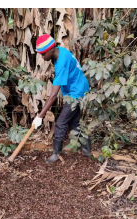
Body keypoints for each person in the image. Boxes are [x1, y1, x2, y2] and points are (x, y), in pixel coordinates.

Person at [32, 34, 91, 163]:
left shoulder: (62, 61)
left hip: (77, 92)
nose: (42, 57)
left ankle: (56, 154)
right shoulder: (58, 53)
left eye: (43, 54)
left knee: (61, 122)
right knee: (74, 122)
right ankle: (87, 149)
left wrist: (40, 116)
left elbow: (53, 96)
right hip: (76, 89)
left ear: (51, 49)